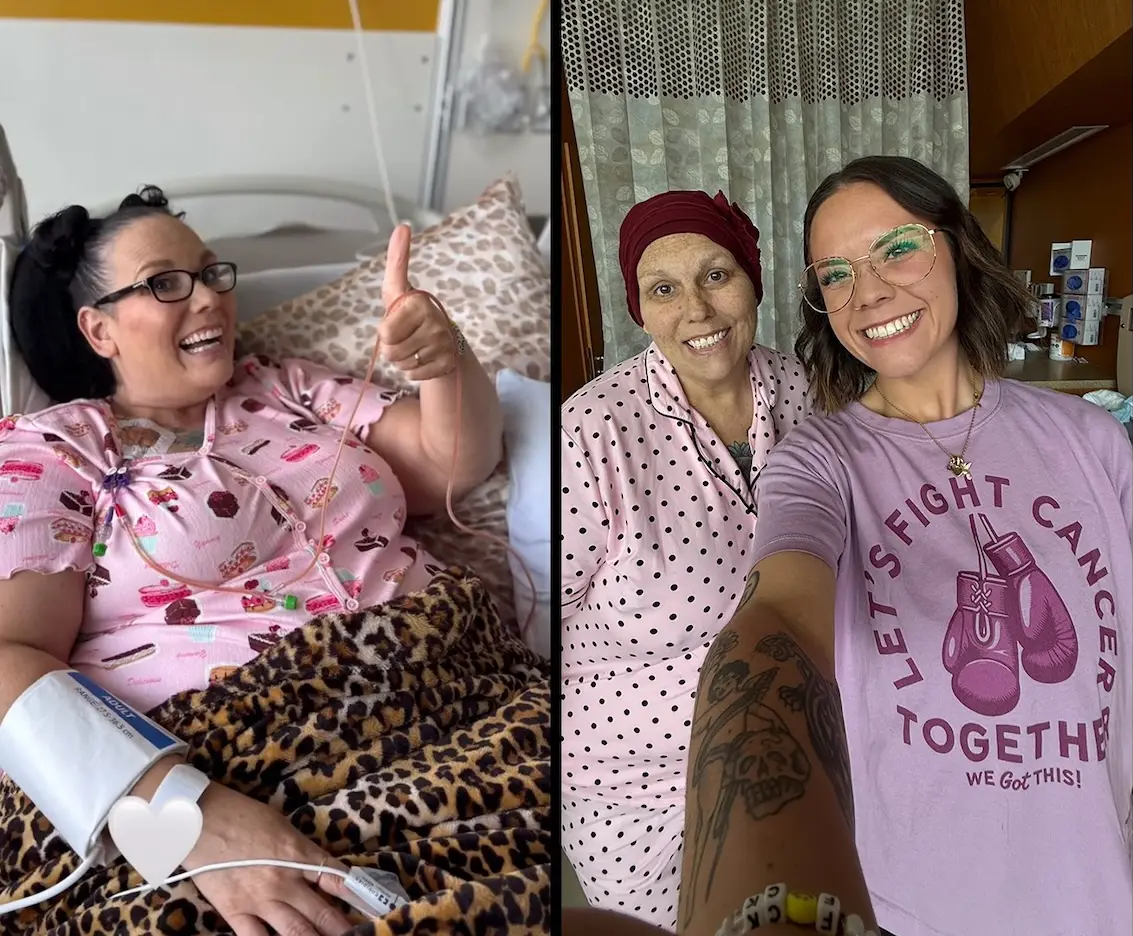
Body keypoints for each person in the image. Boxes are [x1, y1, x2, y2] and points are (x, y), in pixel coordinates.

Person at [0, 186, 503, 934]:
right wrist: (186, 817)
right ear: (98, 328)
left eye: (211, 273)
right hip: (244, 760)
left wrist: (444, 359)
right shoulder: (54, 450)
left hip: (464, 700)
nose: (207, 297)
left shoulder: (286, 387)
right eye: (168, 283)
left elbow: (449, 465)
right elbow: (12, 656)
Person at [676, 155, 1133, 936]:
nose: (870, 293)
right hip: (915, 911)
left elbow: (1121, 684)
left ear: (957, 245)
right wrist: (745, 889)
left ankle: (1001, 594)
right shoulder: (818, 461)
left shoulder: (1093, 442)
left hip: (1098, 893)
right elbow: (779, 613)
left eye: (898, 248)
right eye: (836, 274)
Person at [560, 190, 813, 928]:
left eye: (716, 275)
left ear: (753, 282)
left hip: (780, 753)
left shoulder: (799, 389)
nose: (697, 310)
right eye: (663, 289)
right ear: (639, 309)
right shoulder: (592, 434)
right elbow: (540, 615)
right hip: (631, 783)